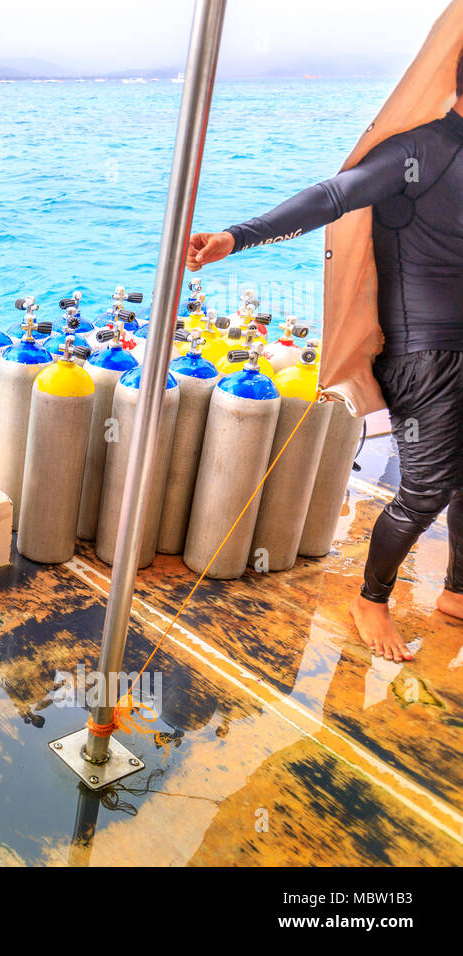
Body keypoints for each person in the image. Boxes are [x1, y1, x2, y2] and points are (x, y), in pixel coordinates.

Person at [186, 54, 463, 664]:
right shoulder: (420, 151)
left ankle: (457, 594)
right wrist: (238, 236)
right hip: (424, 352)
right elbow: (333, 196)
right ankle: (371, 600)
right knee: (426, 489)